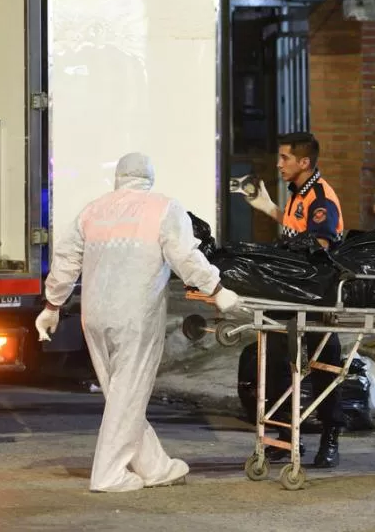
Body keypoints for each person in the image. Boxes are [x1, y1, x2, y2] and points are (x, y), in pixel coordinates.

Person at [35, 152, 240, 493]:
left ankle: (155, 466)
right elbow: (186, 257)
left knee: (121, 395)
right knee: (128, 395)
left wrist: (53, 304)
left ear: (118, 177)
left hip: (95, 315)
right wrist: (217, 290)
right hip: (135, 315)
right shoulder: (163, 208)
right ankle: (109, 474)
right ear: (149, 177)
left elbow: (66, 258)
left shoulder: (93, 210)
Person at [243, 131, 347, 468]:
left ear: (304, 162)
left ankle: (331, 436)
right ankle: (285, 435)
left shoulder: (321, 197)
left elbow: (319, 245)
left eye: (285, 158)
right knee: (274, 362)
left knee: (323, 365)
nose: (278, 164)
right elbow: (295, 231)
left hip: (316, 296)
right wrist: (272, 210)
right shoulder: (298, 194)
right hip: (289, 292)